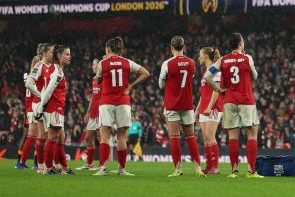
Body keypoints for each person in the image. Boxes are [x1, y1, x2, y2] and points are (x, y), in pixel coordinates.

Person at [203, 33, 262, 178]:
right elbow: (255, 76)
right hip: (246, 100)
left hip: (229, 101)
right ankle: (251, 171)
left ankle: (234, 171)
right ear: (241, 43)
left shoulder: (223, 60)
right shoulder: (247, 58)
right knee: (252, 134)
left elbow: (207, 76)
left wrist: (218, 89)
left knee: (233, 137)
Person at [93, 36, 150, 176]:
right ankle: (121, 169)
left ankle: (103, 168)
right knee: (122, 138)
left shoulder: (102, 63)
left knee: (105, 137)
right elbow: (146, 73)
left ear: (108, 48)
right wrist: (131, 85)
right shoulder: (127, 62)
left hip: (106, 101)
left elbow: (98, 80)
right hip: (123, 102)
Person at [159, 36, 205, 177]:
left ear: (172, 48)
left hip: (172, 105)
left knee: (174, 137)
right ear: (183, 46)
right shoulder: (191, 63)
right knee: (190, 136)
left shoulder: (167, 64)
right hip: (187, 104)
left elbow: (161, 85)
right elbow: (189, 79)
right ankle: (198, 169)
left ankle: (178, 169)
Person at [33, 45, 73, 175]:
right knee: (52, 137)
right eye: (67, 54)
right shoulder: (57, 71)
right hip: (54, 107)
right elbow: (48, 89)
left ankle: (61, 167)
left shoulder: (57, 69)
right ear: (59, 56)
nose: (69, 56)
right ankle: (48, 168)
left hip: (56, 107)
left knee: (60, 137)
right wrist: (40, 107)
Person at [25, 43, 54, 173]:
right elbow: (28, 83)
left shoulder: (52, 67)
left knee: (48, 135)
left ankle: (46, 164)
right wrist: (40, 95)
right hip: (40, 105)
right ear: (45, 53)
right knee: (42, 136)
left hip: (49, 104)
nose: (53, 54)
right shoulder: (39, 66)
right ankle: (41, 165)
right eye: (51, 52)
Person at [196, 46, 224, 175]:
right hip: (204, 108)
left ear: (206, 57)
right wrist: (197, 110)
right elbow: (203, 94)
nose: (199, 57)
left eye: (200, 55)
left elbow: (216, 89)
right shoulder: (206, 72)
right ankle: (209, 166)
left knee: (210, 136)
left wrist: (209, 107)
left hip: (213, 107)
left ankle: (215, 167)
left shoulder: (216, 71)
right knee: (206, 138)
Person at [16, 54, 42, 170]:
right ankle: (23, 162)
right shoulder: (35, 77)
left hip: (29, 108)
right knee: (32, 136)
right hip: (33, 107)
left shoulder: (28, 76)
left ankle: (28, 162)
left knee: (32, 136)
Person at [77, 58, 102, 170]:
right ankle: (89, 164)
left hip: (101, 111)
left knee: (101, 138)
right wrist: (88, 111)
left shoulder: (104, 79)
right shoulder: (94, 79)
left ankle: (102, 165)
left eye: (94, 64)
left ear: (99, 66)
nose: (92, 66)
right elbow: (93, 96)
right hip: (93, 112)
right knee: (88, 138)